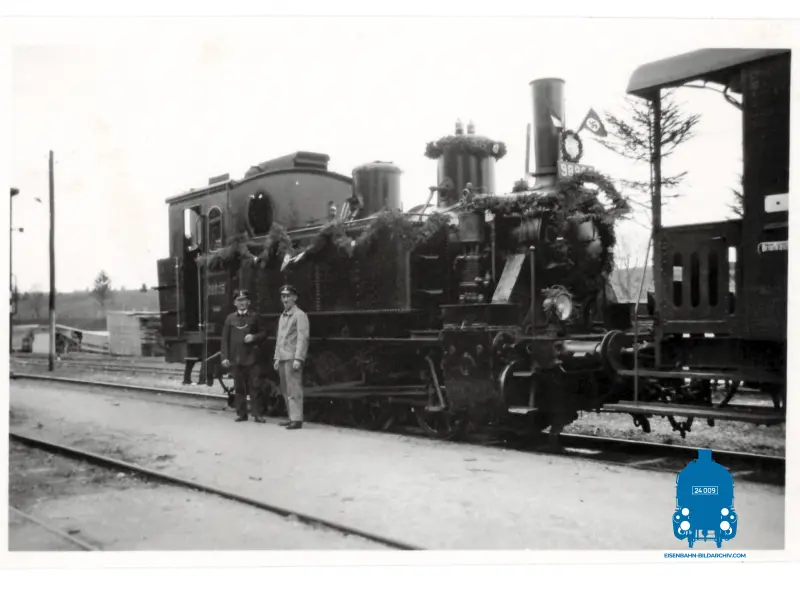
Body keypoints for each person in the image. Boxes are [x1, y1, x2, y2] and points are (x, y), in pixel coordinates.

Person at [221, 290, 267, 423]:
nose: (242, 303)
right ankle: (242, 414)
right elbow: (225, 340)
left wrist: (254, 337)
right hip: (236, 358)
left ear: (249, 302)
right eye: (239, 300)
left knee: (255, 387)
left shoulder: (255, 317)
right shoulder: (230, 318)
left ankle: (257, 414)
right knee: (239, 388)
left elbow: (264, 333)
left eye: (244, 300)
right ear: (235, 303)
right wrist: (224, 357)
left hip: (252, 358)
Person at [273, 284, 309, 430]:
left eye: (288, 296)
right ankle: (291, 417)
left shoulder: (300, 315)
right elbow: (279, 339)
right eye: (283, 296)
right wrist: (276, 357)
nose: (285, 299)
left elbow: (302, 338)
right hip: (283, 357)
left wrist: (298, 358)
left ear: (294, 298)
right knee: (286, 389)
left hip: (292, 357)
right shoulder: (283, 316)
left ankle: (297, 419)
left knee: (294, 389)